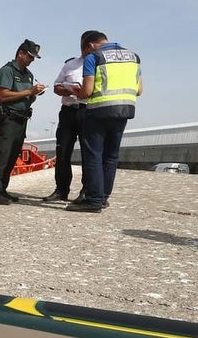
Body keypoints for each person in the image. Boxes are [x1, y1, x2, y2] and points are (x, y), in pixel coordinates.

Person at [65, 35, 142, 212]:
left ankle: (93, 200)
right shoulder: (134, 57)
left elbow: (87, 91)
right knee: (111, 156)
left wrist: (75, 92)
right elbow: (139, 90)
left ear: (91, 45)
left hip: (99, 111)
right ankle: (104, 198)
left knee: (94, 155)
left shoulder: (95, 57)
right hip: (124, 110)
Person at [42, 31, 107, 202]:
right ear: (87, 46)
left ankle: (86, 191)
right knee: (62, 152)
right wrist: (68, 89)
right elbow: (56, 87)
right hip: (69, 111)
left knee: (89, 154)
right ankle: (61, 190)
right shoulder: (70, 65)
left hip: (89, 111)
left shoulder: (102, 65)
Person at [0, 39, 45, 204]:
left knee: (12, 157)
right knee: (2, 156)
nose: (32, 60)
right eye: (30, 56)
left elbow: (27, 99)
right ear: (21, 53)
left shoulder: (29, 75)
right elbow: (3, 95)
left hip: (22, 119)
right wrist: (29, 91)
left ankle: (2, 190)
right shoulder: (7, 71)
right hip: (8, 119)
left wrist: (33, 95)